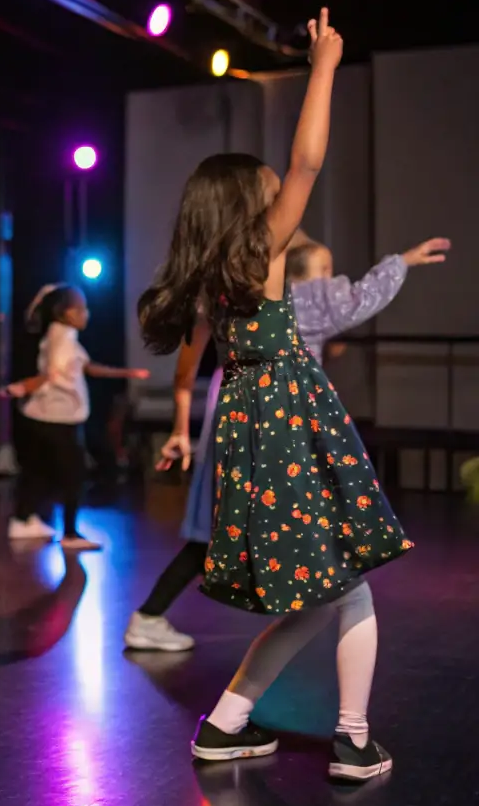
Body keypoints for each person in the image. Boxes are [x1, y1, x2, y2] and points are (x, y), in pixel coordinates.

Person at [138, 8, 413, 782]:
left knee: (330, 593)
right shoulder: (260, 251)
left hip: (256, 428)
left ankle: (229, 722)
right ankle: (351, 739)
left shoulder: (218, 274)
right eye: (265, 184)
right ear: (245, 205)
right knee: (346, 589)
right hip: (287, 426)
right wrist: (322, 66)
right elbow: (309, 160)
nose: (278, 187)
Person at [125, 231, 449, 652]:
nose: (331, 280)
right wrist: (402, 260)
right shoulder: (306, 300)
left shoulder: (234, 299)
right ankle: (301, 604)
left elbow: (186, 372)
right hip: (276, 422)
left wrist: (181, 430)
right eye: (325, 270)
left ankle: (158, 613)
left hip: (232, 412)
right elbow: (362, 296)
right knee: (243, 527)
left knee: (217, 529)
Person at [3, 284, 148, 551]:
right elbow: (49, 375)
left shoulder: (60, 334)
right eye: (81, 309)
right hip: (58, 419)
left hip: (45, 415)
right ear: (66, 313)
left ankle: (23, 520)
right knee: (75, 475)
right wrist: (21, 387)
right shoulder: (63, 340)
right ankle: (69, 534)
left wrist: (127, 373)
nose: (86, 314)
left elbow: (88, 368)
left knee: (39, 470)